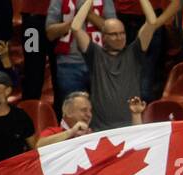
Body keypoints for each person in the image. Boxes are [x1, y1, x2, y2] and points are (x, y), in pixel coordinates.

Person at [71, 0, 173, 130]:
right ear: (104, 37)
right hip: (100, 129)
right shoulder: (95, 54)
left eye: (122, 33)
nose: (119, 37)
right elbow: (75, 27)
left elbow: (152, 22)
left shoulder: (135, 51)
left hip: (130, 128)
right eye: (113, 34)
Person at [48, 0, 116, 109]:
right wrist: (76, 20)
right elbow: (50, 33)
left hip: (100, 63)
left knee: (105, 110)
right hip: (69, 64)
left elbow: (114, 30)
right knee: (73, 113)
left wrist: (89, 14)